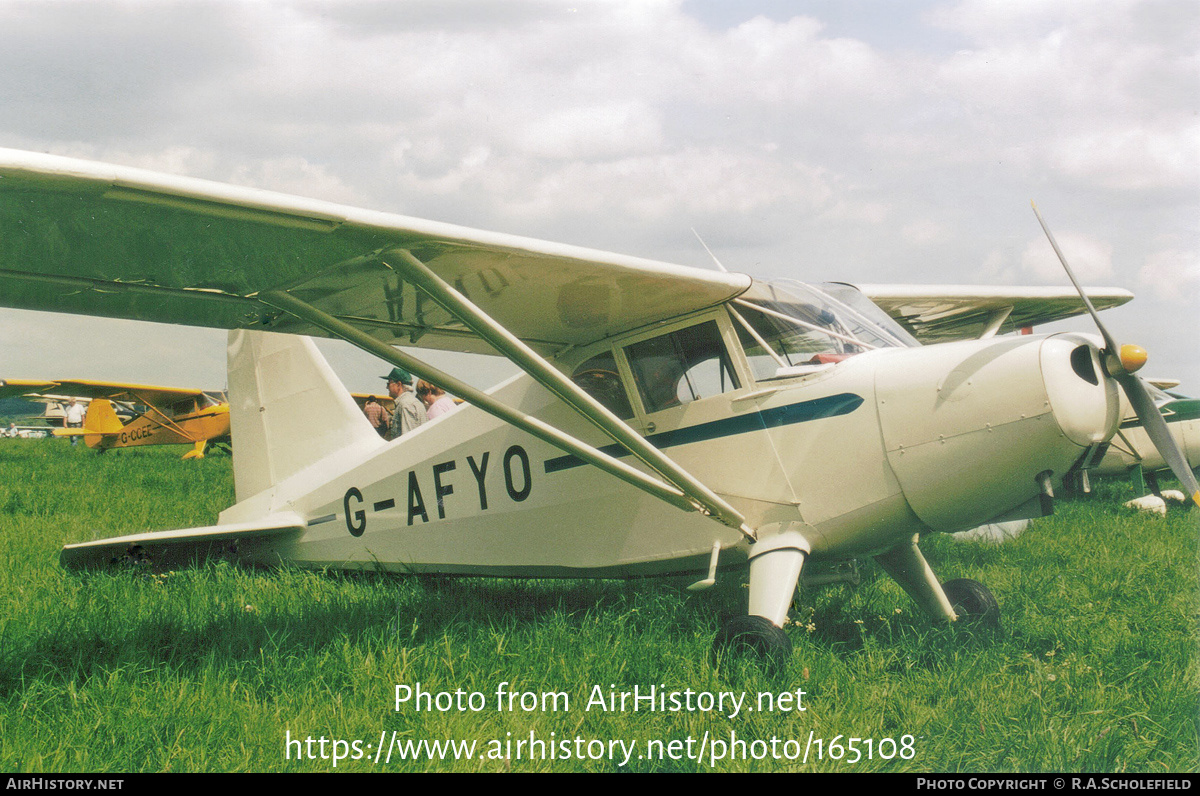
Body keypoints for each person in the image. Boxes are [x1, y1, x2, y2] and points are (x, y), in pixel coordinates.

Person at [382, 367, 426, 440]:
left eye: (388, 383)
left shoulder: (405, 405)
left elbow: (407, 439)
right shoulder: (413, 402)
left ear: (399, 384)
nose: (387, 387)